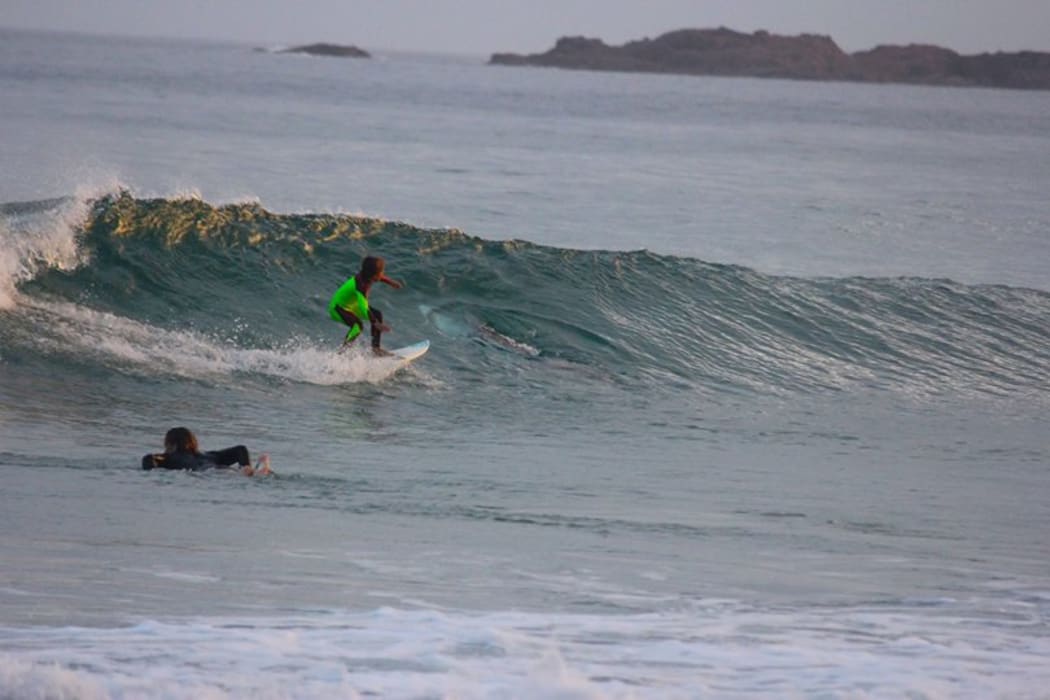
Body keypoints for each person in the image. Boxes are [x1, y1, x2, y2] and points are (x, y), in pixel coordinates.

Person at [328, 255, 403, 354]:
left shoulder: (367, 276)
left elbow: (379, 277)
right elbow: (363, 306)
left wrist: (391, 282)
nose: (383, 274)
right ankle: (342, 353)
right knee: (358, 326)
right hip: (338, 308)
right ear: (374, 275)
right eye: (381, 272)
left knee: (377, 314)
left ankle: (375, 349)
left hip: (350, 306)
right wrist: (375, 323)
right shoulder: (361, 286)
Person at [141, 427, 271, 476]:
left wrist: (155, 469)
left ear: (171, 444)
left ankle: (250, 472)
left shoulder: (169, 458)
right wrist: (246, 465)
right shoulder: (210, 455)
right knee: (244, 474)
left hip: (209, 474)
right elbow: (240, 449)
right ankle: (250, 470)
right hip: (223, 469)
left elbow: (148, 460)